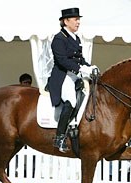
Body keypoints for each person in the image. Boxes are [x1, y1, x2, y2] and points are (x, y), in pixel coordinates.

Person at [47, 7, 97, 153]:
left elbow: (80, 59)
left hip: (75, 75)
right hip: (63, 77)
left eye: (78, 19)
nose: (78, 22)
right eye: (75, 19)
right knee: (71, 101)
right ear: (66, 21)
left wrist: (90, 67)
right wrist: (81, 69)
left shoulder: (76, 38)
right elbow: (62, 60)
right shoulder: (59, 38)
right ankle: (59, 137)